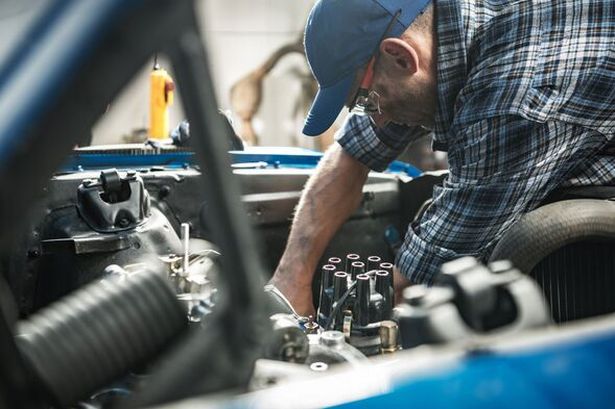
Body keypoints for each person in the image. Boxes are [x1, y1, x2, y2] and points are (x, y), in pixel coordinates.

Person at [269, 0, 615, 316]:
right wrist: (290, 281)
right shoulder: (443, 30)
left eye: (368, 102)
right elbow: (351, 153)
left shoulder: (517, 94)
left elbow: (420, 276)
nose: (376, 118)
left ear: (402, 57)